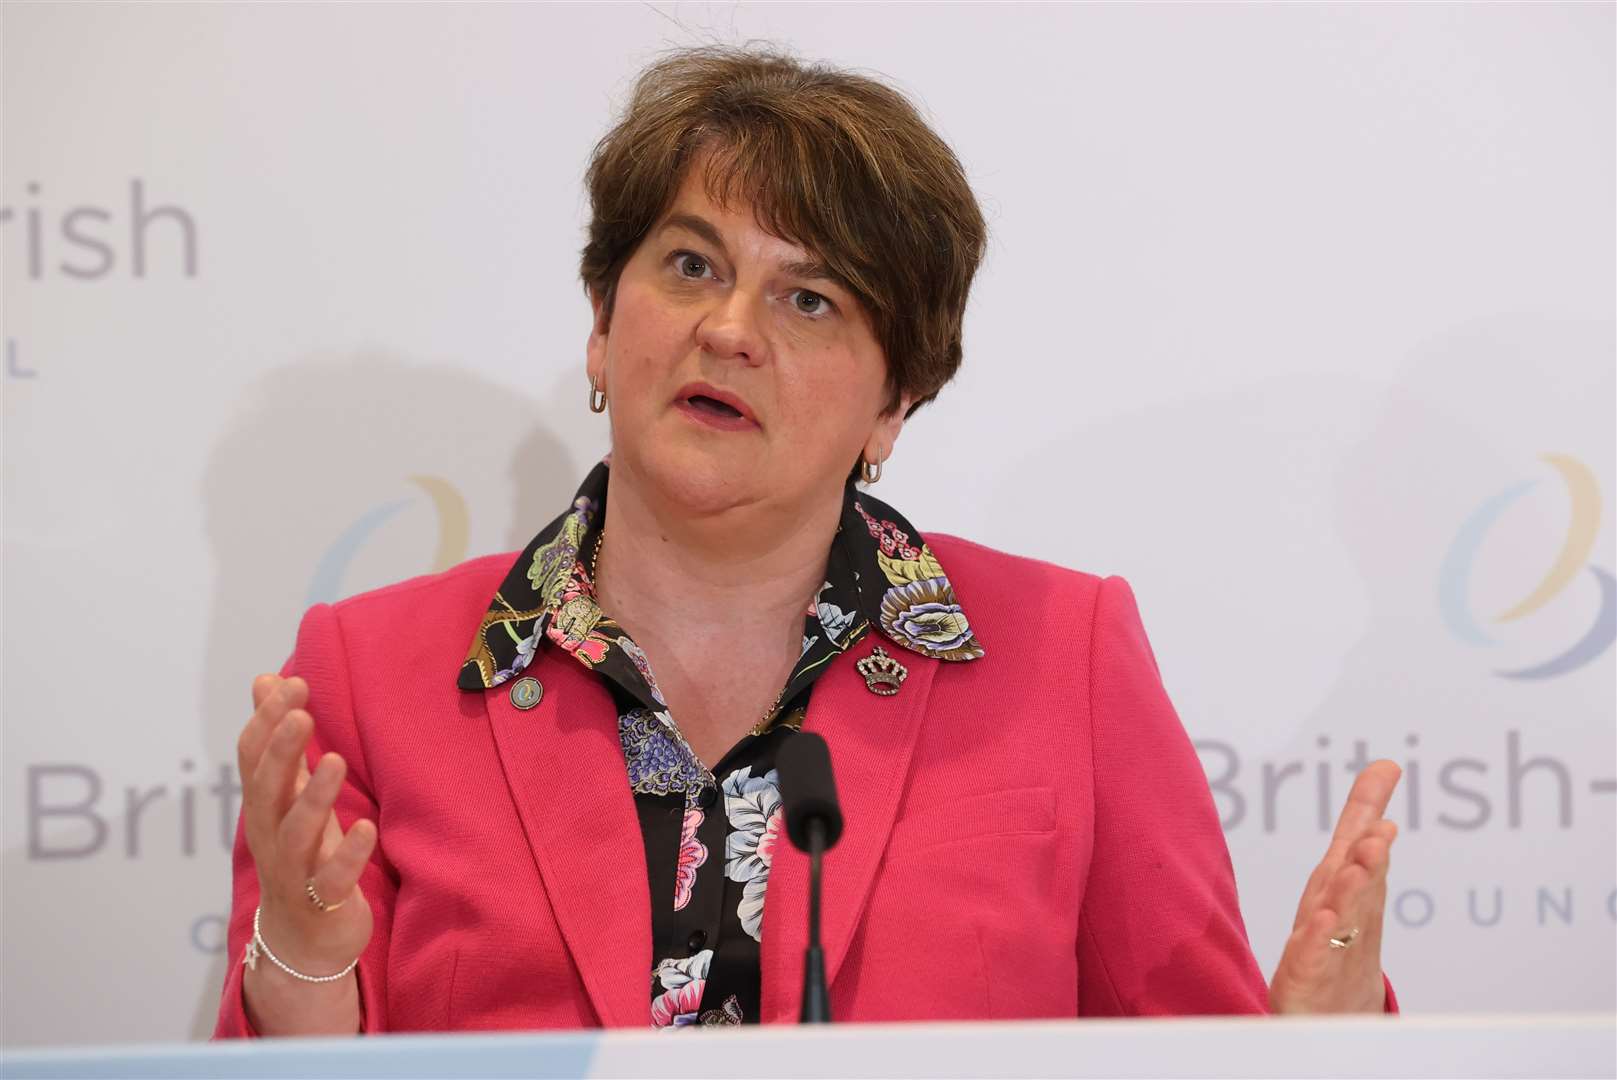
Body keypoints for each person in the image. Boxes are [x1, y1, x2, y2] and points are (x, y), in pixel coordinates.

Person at [216, 45, 1401, 1037]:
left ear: (894, 405)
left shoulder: (1065, 658)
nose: (729, 329)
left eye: (809, 298)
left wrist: (1312, 1055)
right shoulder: (375, 675)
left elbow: (1185, 1048)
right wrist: (306, 957)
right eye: (690, 266)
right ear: (600, 322)